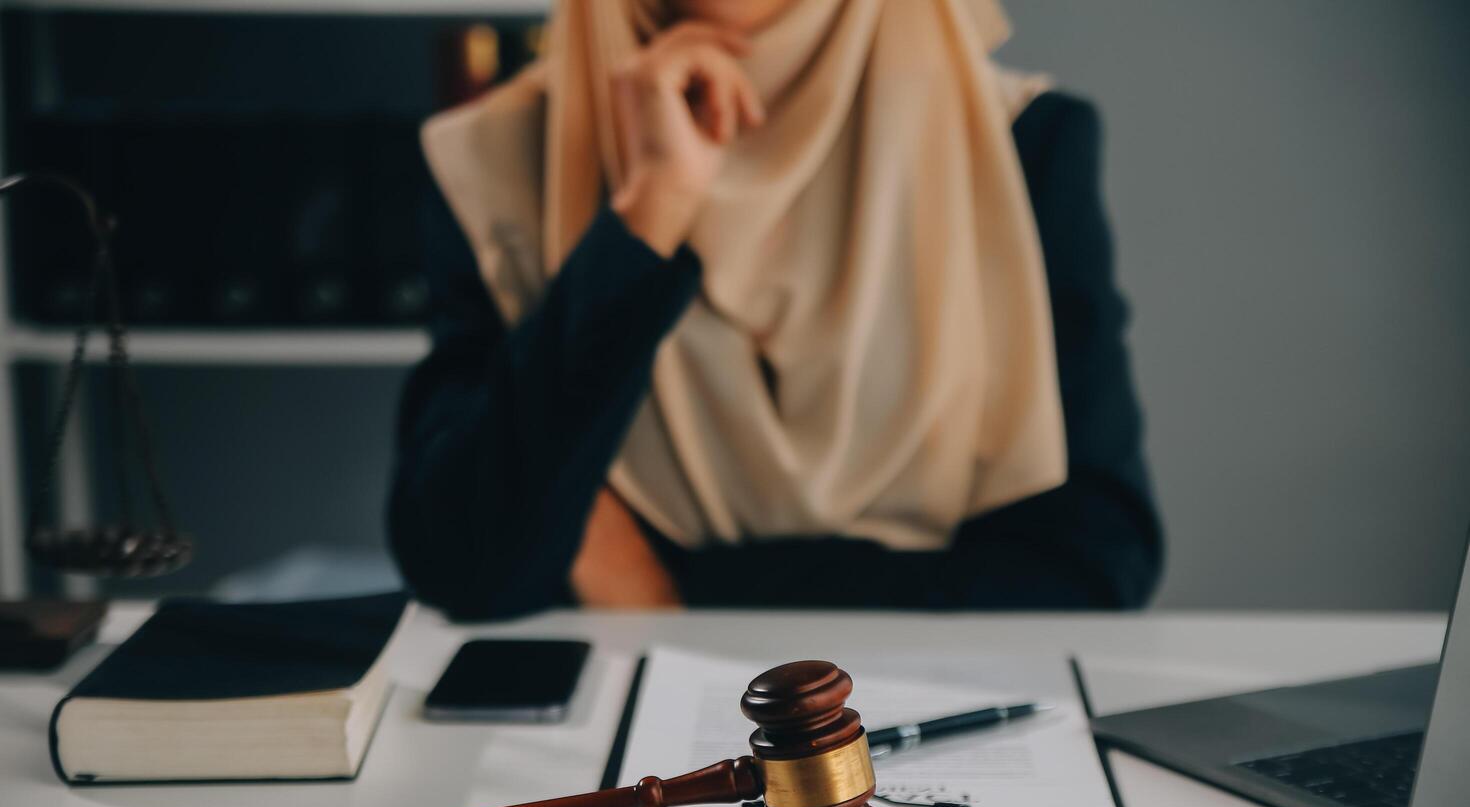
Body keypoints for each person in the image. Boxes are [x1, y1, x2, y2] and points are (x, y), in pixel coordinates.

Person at [389, 0, 1163, 619]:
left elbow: (1095, 561)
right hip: (619, 749)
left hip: (942, 724)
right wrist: (648, 212)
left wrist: (673, 591)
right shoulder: (492, 162)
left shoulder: (1017, 144)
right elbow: (462, 565)